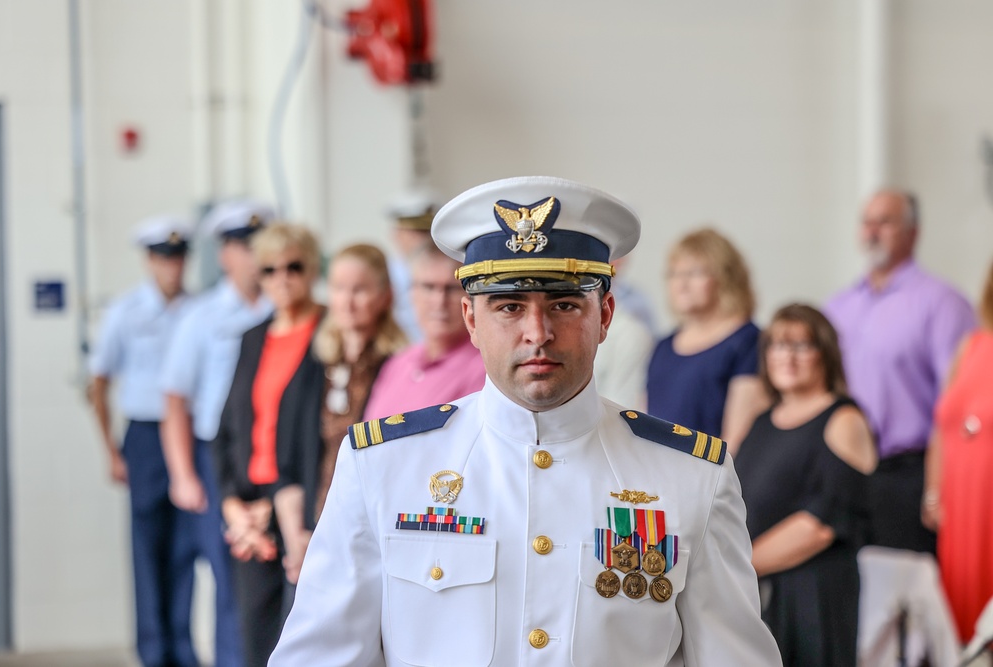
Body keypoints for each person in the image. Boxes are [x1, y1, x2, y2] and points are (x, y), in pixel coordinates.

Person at [269, 176, 781, 666]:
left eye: (563, 305)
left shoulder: (691, 477)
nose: (538, 333)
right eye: (509, 306)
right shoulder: (383, 464)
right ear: (471, 319)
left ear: (604, 315)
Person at [824, 189, 974, 555]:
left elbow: (957, 402)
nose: (873, 231)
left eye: (885, 222)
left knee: (904, 600)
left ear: (913, 232)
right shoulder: (838, 306)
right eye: (867, 222)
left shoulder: (942, 304)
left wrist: (939, 488)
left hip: (907, 475)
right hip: (844, 471)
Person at [159, 199, 276, 667]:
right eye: (244, 246)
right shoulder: (202, 316)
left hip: (273, 456)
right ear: (225, 254)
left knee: (276, 578)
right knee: (231, 581)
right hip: (220, 461)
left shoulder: (286, 308)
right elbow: (175, 400)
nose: (255, 256)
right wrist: (183, 474)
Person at [734, 304, 876, 666]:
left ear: (825, 353)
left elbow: (820, 526)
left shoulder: (843, 418)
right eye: (778, 345)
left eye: (801, 346)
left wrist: (737, 568)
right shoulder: (763, 420)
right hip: (762, 589)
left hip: (814, 594)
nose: (787, 357)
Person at [210, 223, 325, 667]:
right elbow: (226, 430)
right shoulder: (253, 336)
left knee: (301, 643)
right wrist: (231, 505)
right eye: (270, 269)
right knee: (254, 640)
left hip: (300, 508)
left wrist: (277, 504)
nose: (282, 278)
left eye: (293, 267)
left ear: (311, 269)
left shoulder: (327, 333)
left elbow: (320, 435)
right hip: (249, 512)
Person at [88, 215, 198, 667]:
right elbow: (98, 382)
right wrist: (111, 450)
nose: (171, 266)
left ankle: (182, 647)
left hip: (188, 437)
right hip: (146, 436)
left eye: (178, 257)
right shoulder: (126, 311)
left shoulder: (199, 309)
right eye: (163, 257)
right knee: (148, 547)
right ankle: (153, 651)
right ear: (150, 260)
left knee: (186, 545)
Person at [299, 243, 406, 525]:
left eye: (359, 290)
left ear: (385, 295)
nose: (347, 301)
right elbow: (294, 448)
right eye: (338, 288)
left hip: (368, 515)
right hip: (316, 514)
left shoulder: (398, 365)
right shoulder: (316, 360)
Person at [646, 228, 768, 452]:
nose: (681, 284)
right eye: (674, 273)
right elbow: (642, 425)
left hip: (712, 481)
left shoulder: (748, 341)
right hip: (655, 479)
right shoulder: (663, 346)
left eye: (693, 273)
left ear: (725, 277)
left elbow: (737, 442)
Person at [926, 259, 993, 643]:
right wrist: (933, 492)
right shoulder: (971, 345)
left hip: (988, 510)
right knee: (956, 624)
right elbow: (943, 425)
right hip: (958, 513)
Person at [363, 242, 484, 419]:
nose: (439, 301)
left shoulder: (484, 369)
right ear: (411, 293)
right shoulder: (397, 363)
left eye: (451, 288)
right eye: (428, 287)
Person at [385, 188, 442, 343]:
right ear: (397, 233)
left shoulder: (446, 271)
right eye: (415, 232)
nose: (424, 240)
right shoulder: (385, 273)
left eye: (426, 232)